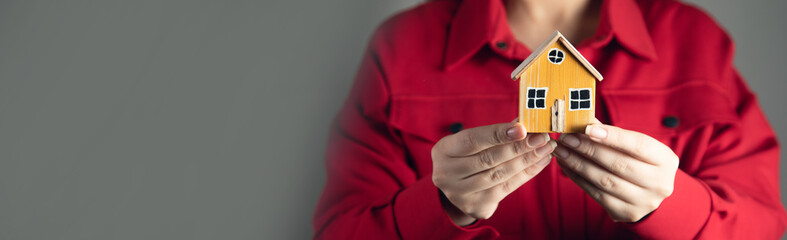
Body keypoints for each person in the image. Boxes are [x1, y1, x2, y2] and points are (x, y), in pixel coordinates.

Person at [313, 0, 787, 238]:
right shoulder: (401, 48)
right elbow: (341, 230)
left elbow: (763, 225)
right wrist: (439, 209)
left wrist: (675, 207)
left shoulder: (694, 41)